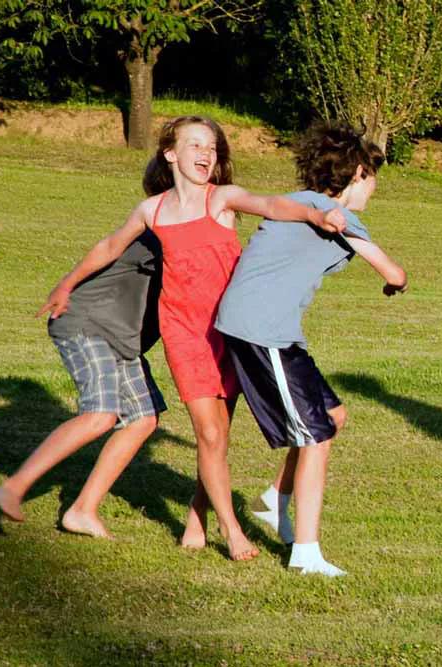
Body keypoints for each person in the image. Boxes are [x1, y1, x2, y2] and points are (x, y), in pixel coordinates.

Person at [38, 116, 347, 560]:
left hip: (231, 329)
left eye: (213, 148)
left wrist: (315, 214)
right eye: (196, 145)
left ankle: (197, 516)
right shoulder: (153, 210)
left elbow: (273, 204)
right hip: (183, 333)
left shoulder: (221, 199)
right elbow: (109, 247)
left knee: (219, 433)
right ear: (170, 153)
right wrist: (66, 284)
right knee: (208, 433)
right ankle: (232, 530)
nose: (206, 154)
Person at [215, 121, 408, 576]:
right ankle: (306, 553)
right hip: (263, 332)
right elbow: (391, 270)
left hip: (273, 331)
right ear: (358, 173)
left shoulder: (302, 202)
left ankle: (273, 501)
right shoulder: (331, 211)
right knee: (316, 438)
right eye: (373, 178)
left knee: (332, 418)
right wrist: (396, 283)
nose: (374, 189)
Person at [0, 161, 169, 540]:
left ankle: (82, 510)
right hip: (87, 323)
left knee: (143, 418)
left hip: (121, 336)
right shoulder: (159, 230)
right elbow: (107, 246)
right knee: (101, 414)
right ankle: (13, 488)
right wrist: (65, 284)